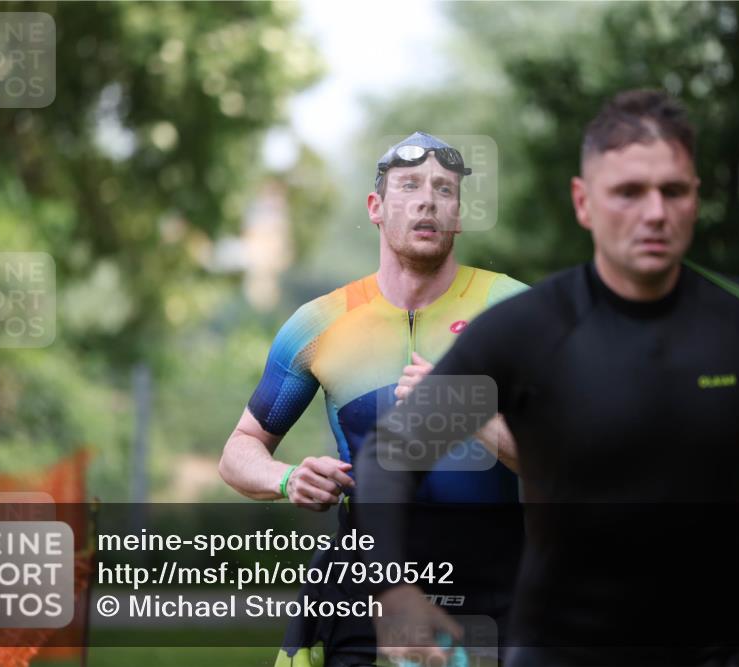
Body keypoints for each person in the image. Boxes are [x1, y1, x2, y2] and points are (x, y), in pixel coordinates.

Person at [354, 90, 739, 666]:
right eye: (629, 192)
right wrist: (393, 590)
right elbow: (393, 452)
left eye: (673, 190)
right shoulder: (530, 331)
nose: (655, 212)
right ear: (584, 202)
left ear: (696, 197)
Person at [218, 131, 527, 666]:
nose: (428, 199)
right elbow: (239, 451)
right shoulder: (319, 323)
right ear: (376, 208)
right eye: (409, 186)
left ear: (458, 213)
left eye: (444, 190)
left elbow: (571, 461)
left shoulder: (514, 310)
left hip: (491, 583)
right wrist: (287, 478)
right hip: (363, 585)